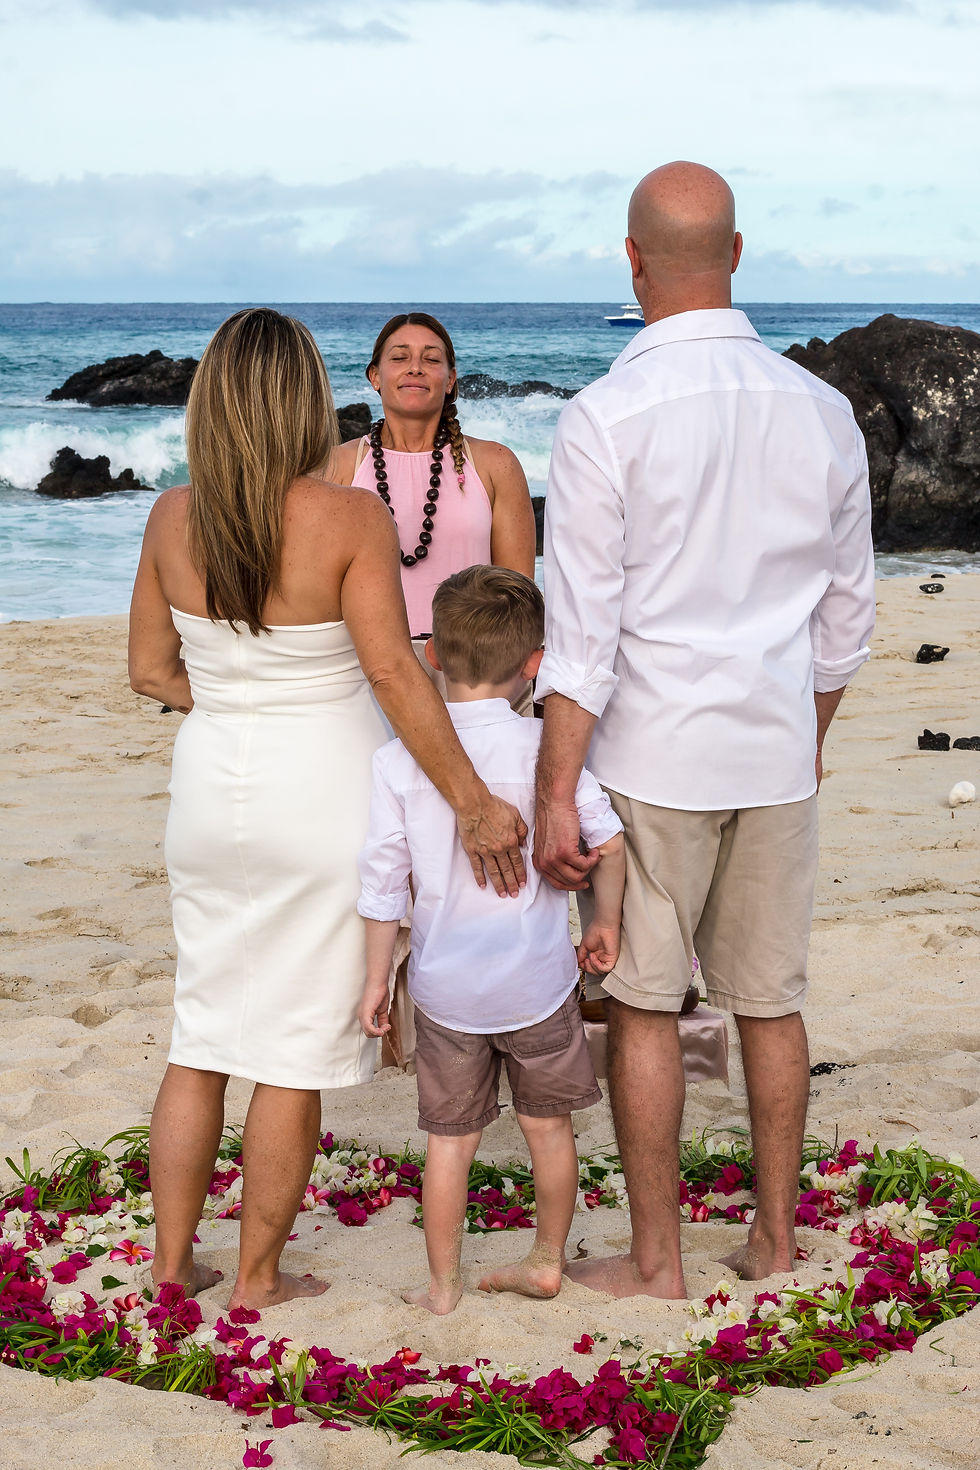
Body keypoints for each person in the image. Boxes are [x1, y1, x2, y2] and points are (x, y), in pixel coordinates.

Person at [128, 308, 528, 1311]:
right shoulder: (348, 517)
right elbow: (394, 674)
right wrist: (473, 802)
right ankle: (257, 1279)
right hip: (318, 795)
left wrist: (237, 698)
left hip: (211, 792)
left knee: (202, 1033)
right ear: (305, 400)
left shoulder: (172, 517)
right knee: (291, 1053)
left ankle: (174, 1268)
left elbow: (149, 669)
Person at [533, 162, 876, 1300]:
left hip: (650, 755)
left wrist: (550, 798)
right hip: (773, 750)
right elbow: (845, 619)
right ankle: (774, 1242)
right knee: (769, 1001)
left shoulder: (603, 417)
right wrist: (805, 732)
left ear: (630, 264)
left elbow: (581, 642)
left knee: (641, 1005)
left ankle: (656, 1259)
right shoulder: (822, 410)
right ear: (735, 255)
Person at [356, 566, 626, 1314]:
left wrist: (377, 981)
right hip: (538, 984)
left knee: (451, 1144)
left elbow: (382, 885)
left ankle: (443, 1287)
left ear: (433, 655)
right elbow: (606, 840)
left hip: (447, 992)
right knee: (549, 1131)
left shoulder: (395, 762)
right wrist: (604, 920)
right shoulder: (547, 749)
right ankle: (545, 1261)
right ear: (535, 664)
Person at [332, 311, 537, 657]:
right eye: (399, 357)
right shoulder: (337, 467)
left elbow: (519, 599)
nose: (415, 368)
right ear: (375, 376)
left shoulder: (495, 465)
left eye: (431, 359)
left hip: (475, 669)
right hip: (365, 668)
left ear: (451, 379)